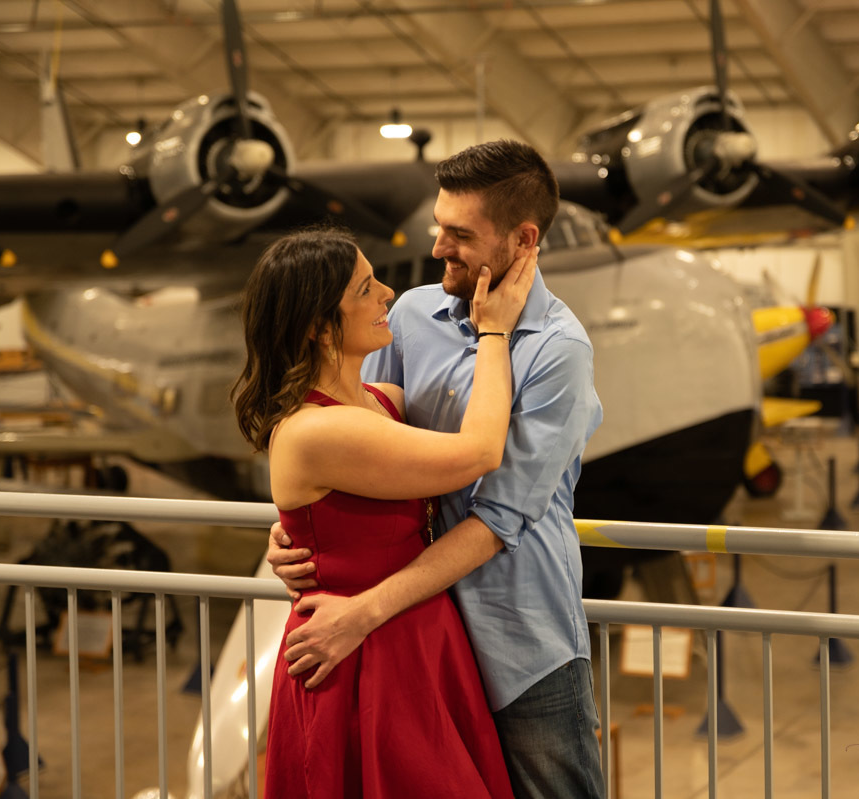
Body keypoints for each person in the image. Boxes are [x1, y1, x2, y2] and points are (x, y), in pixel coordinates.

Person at [267, 140, 607, 799]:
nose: (437, 249)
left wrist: (362, 612)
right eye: (437, 228)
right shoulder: (413, 315)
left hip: (518, 640)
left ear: (523, 238)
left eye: (459, 234)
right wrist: (297, 526)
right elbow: (356, 433)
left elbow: (495, 520)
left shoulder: (559, 352)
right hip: (415, 639)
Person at [233, 225, 535, 798]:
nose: (387, 294)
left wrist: (298, 532)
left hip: (407, 641)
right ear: (322, 327)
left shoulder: (375, 401)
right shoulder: (317, 430)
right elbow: (479, 451)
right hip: (359, 656)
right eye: (364, 289)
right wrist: (495, 329)